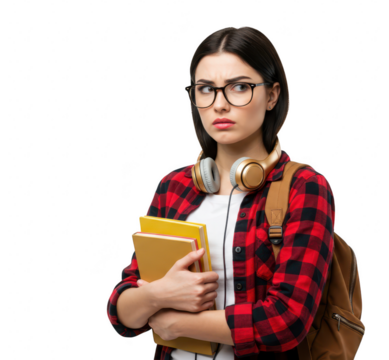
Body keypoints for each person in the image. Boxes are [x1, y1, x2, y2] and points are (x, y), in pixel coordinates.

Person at [105, 26, 336, 360]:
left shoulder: (304, 187)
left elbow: (287, 320)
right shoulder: (174, 187)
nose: (220, 105)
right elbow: (120, 309)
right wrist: (156, 296)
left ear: (272, 95)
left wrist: (174, 326)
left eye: (239, 87)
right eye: (206, 89)